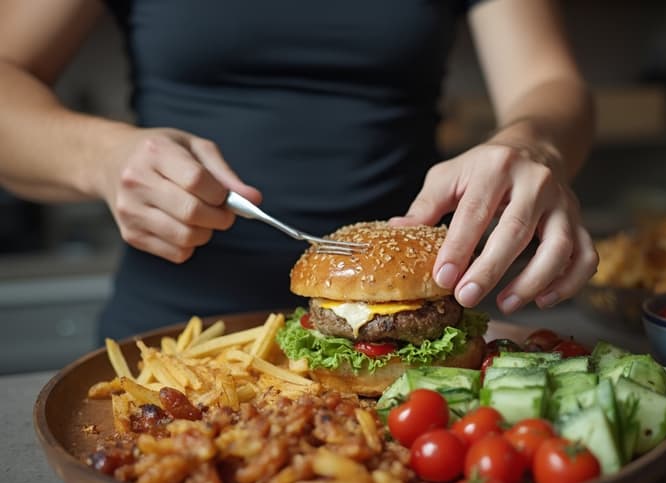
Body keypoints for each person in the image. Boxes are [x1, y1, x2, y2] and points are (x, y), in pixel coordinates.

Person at [0, 0, 597, 341]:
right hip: (178, 342)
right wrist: (101, 156)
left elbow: (551, 82)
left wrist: (534, 142)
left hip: (421, 335)